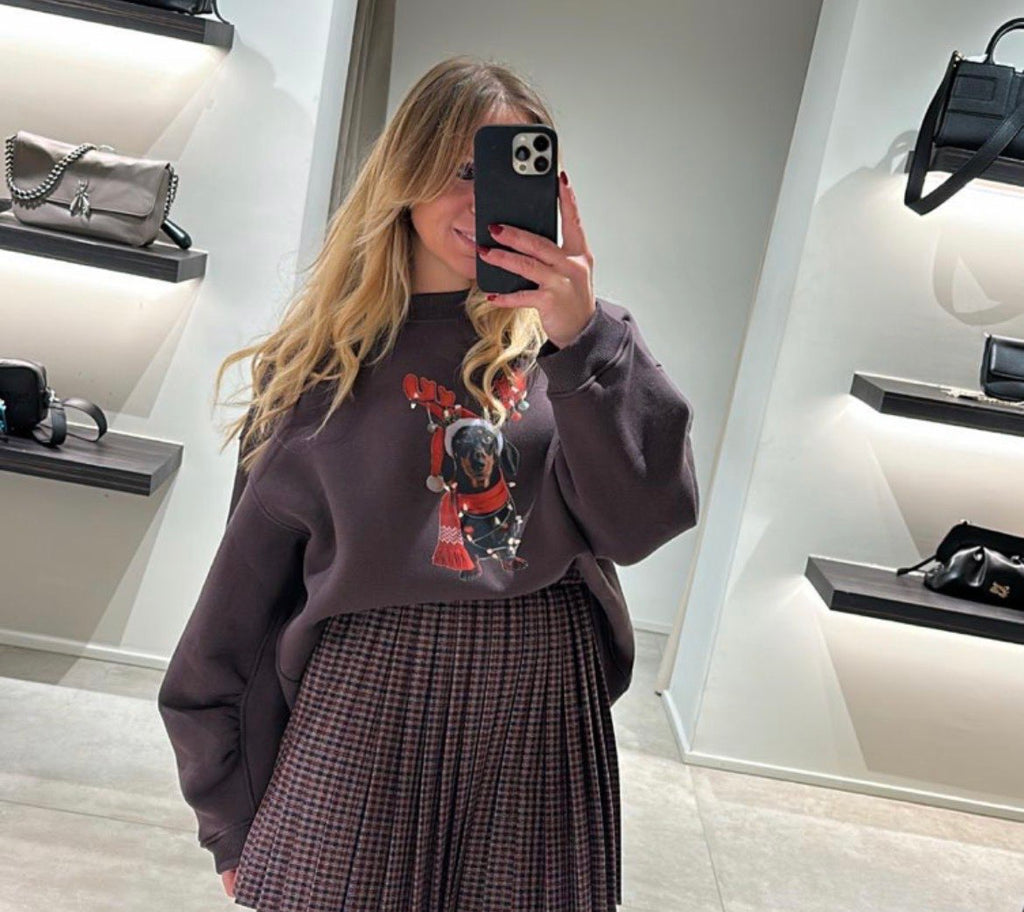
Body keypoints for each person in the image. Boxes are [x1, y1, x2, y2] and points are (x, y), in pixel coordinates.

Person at [157, 54, 699, 912]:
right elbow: (243, 605)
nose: (483, 201)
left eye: (508, 172)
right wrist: (228, 809)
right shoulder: (317, 371)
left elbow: (643, 523)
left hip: (538, 712)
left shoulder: (580, 349)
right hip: (363, 708)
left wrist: (582, 339)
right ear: (402, 177)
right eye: (459, 170)